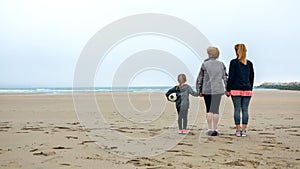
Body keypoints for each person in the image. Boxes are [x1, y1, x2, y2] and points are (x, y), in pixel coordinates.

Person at [196, 47, 227, 136]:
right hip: (218, 89)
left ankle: (210, 128)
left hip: (207, 89)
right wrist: (227, 88)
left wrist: (199, 90)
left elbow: (200, 78)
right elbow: (225, 77)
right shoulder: (221, 64)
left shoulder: (204, 64)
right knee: (216, 110)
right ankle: (215, 129)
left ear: (209, 54)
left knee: (209, 109)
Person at [226, 43, 254, 137]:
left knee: (237, 109)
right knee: (245, 109)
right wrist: (250, 88)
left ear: (236, 51)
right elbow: (251, 78)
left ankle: (238, 130)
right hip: (247, 89)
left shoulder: (233, 62)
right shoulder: (249, 63)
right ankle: (244, 130)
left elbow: (231, 77)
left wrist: (228, 89)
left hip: (235, 88)